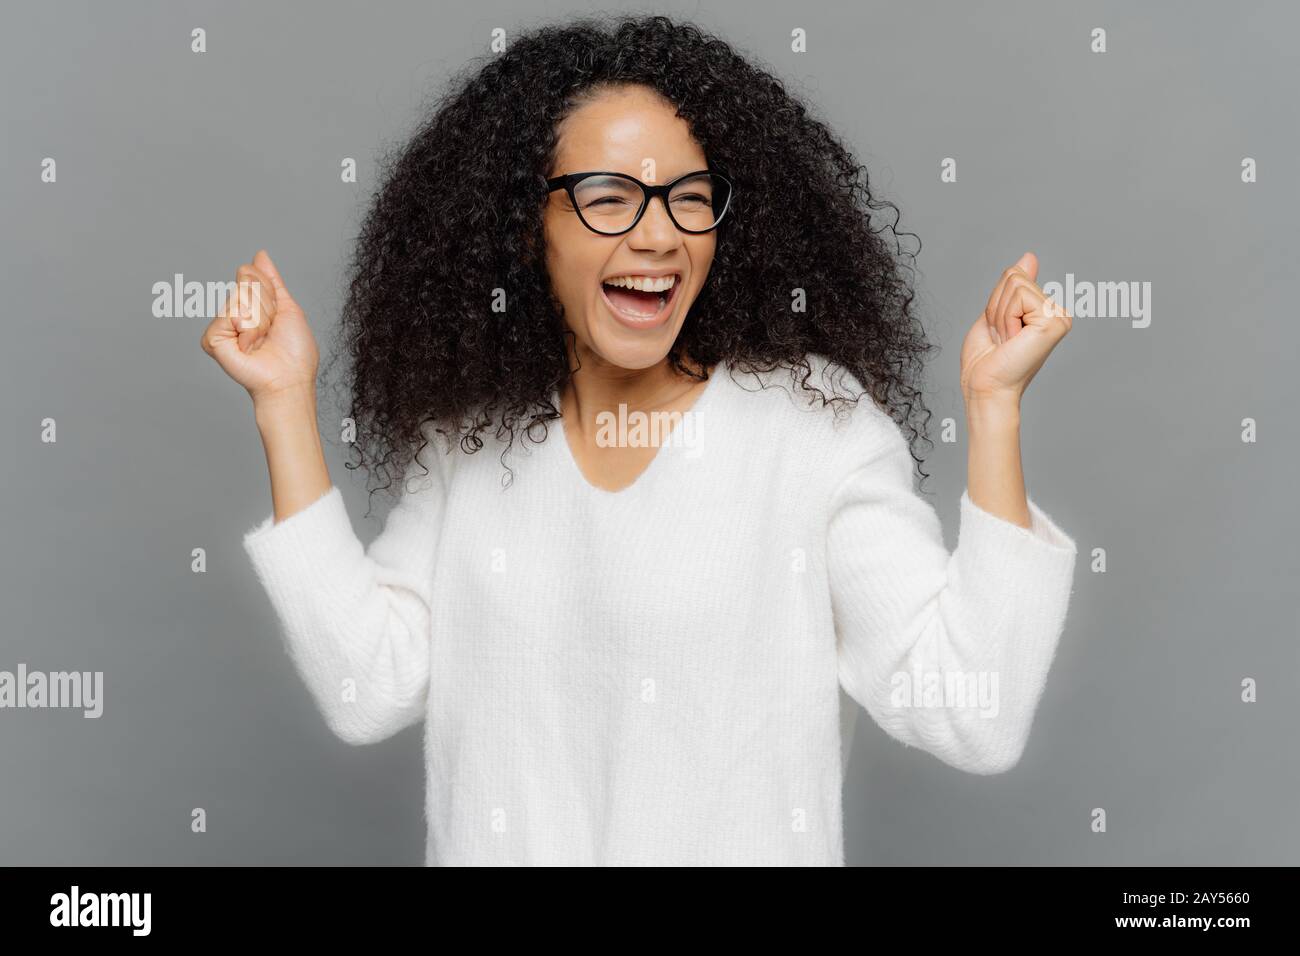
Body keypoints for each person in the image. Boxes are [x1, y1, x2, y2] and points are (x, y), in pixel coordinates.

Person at [200, 15, 1078, 866]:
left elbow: (976, 717)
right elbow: (369, 684)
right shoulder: (473, 443)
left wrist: (993, 406)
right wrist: (283, 402)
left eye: (688, 199)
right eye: (608, 198)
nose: (657, 234)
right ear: (525, 227)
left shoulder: (810, 433)